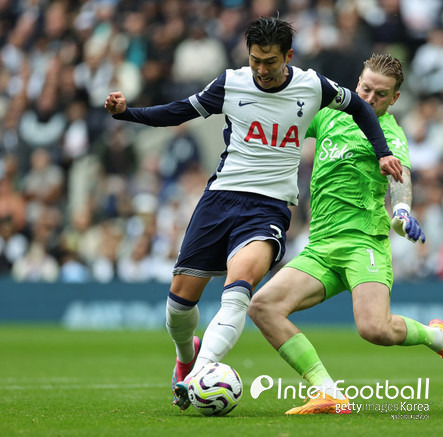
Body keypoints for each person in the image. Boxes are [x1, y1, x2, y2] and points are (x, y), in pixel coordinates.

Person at [103, 17, 403, 411]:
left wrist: (382, 151)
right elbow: (178, 112)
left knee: (239, 289)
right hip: (220, 199)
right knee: (178, 307)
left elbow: (361, 109)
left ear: (288, 57)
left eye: (270, 61)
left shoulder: (313, 86)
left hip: (269, 207)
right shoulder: (231, 83)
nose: (261, 69)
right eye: (255, 60)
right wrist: (128, 114)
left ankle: (198, 377)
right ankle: (186, 355)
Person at [248, 53, 443, 415]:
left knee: (375, 329)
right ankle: (328, 392)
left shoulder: (389, 133)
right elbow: (285, 118)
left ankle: (438, 337)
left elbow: (400, 178)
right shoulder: (328, 114)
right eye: (365, 89)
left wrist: (401, 213)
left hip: (362, 243)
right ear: (357, 82)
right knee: (262, 306)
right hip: (320, 248)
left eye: (380, 95)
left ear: (395, 99)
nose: (369, 99)